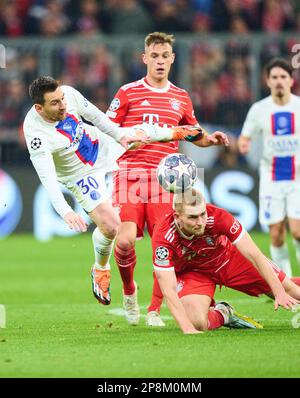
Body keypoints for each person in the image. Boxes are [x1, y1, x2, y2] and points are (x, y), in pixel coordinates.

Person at [23, 76, 217, 306]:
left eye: (62, 99)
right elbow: (48, 179)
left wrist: (119, 135)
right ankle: (101, 269)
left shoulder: (68, 94)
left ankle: (175, 132)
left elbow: (97, 117)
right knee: (112, 227)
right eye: (54, 103)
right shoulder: (36, 136)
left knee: (135, 135)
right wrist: (65, 211)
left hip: (98, 144)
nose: (63, 104)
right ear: (39, 107)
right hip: (79, 175)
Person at [106, 32, 228, 326]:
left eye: (165, 56)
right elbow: (106, 129)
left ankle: (153, 310)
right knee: (123, 243)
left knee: (163, 248)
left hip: (166, 181)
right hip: (130, 175)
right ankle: (129, 291)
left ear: (172, 59)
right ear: (145, 58)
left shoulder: (180, 97)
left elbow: (193, 133)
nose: (160, 61)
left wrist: (210, 141)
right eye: (155, 56)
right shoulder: (128, 92)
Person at [152, 188, 300, 334]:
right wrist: (188, 329)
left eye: (202, 214)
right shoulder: (163, 238)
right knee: (196, 322)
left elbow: (254, 254)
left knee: (292, 291)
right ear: (177, 217)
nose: (200, 221)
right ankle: (224, 313)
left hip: (230, 260)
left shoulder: (218, 216)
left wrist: (279, 291)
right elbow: (168, 289)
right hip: (195, 273)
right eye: (193, 217)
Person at [238, 58, 300, 278]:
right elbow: (245, 136)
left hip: (297, 178)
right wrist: (243, 143)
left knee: (298, 231)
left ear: (291, 81)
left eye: (283, 77)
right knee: (276, 234)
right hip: (271, 177)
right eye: (275, 77)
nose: (279, 81)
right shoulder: (259, 109)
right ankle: (286, 282)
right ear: (268, 81)